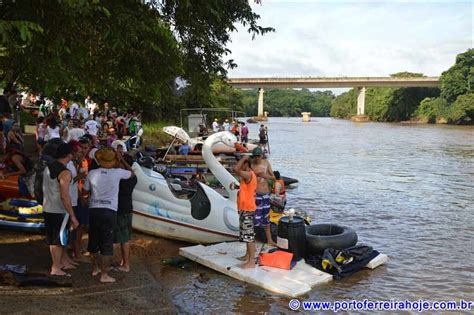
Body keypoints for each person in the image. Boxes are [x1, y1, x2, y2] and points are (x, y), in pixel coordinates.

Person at [82, 147, 133, 283]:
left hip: (94, 209)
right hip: (110, 211)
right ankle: (104, 275)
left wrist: (88, 197)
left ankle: (95, 268)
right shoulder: (118, 173)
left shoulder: (92, 173)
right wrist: (121, 159)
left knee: (93, 241)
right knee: (106, 244)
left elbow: (85, 192)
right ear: (114, 160)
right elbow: (132, 173)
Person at [42, 143, 79, 276]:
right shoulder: (65, 172)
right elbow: (65, 196)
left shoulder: (47, 168)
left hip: (48, 208)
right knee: (57, 240)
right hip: (59, 210)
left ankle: (61, 262)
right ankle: (56, 267)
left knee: (53, 239)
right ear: (69, 155)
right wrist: (73, 216)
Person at [233, 151, 257, 269]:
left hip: (248, 209)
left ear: (246, 163)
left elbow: (235, 169)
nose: (239, 164)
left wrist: (244, 158)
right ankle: (247, 256)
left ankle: (251, 261)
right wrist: (237, 187)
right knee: (246, 235)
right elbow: (247, 189)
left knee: (249, 236)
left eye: (241, 163)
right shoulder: (246, 176)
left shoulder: (249, 174)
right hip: (244, 208)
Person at [114, 154, 137, 272]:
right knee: (125, 237)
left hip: (121, 209)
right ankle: (124, 261)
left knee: (124, 238)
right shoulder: (133, 178)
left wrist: (121, 160)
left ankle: (126, 265)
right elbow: (132, 173)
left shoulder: (121, 178)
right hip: (127, 208)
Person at [251, 147, 277, 246]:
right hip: (255, 195)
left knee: (266, 219)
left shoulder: (266, 163)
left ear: (261, 155)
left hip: (265, 194)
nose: (256, 159)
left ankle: (269, 240)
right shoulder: (251, 165)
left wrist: (265, 176)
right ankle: (252, 241)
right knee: (254, 219)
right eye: (255, 157)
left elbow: (274, 177)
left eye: (258, 156)